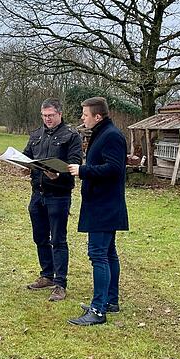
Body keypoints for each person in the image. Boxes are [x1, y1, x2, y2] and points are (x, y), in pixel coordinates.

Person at [66, 97, 128, 325]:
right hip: (102, 204)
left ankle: (98, 310)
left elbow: (114, 169)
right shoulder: (104, 132)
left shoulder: (111, 135)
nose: (82, 118)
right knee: (109, 253)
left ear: (98, 116)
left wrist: (83, 170)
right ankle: (110, 301)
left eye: (85, 114)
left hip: (105, 205)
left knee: (98, 255)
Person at [22, 98, 83, 302]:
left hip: (58, 195)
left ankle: (60, 283)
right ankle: (46, 275)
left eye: (51, 115)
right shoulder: (36, 134)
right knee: (40, 237)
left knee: (58, 239)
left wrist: (60, 175)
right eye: (44, 116)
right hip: (37, 193)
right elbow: (27, 156)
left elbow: (74, 163)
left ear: (59, 114)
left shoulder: (71, 135)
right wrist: (23, 165)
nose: (47, 119)